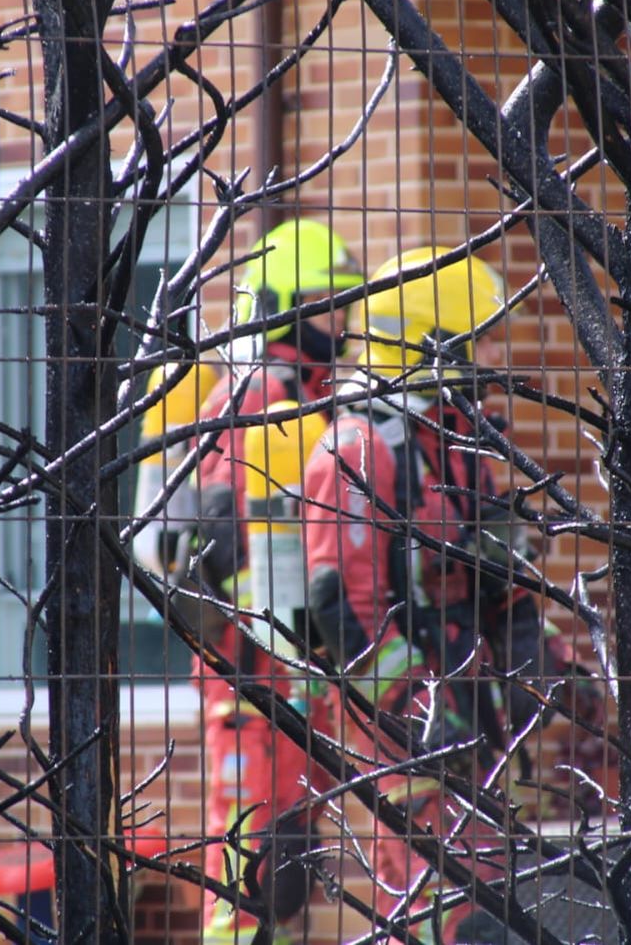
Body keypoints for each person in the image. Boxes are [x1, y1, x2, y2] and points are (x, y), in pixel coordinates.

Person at [300, 246, 605, 945]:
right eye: (476, 343)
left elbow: (495, 578)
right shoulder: (356, 452)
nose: (487, 364)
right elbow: (344, 611)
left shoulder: (454, 447)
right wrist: (419, 715)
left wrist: (548, 664)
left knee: (488, 922)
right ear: (430, 342)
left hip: (475, 744)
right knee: (441, 925)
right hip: (408, 761)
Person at [133, 218, 365, 945]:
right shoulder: (253, 396)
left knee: (285, 871)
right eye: (330, 304)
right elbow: (217, 538)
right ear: (282, 306)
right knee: (249, 875)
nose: (345, 321)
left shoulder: (313, 395)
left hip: (295, 671)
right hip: (251, 674)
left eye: (347, 304)